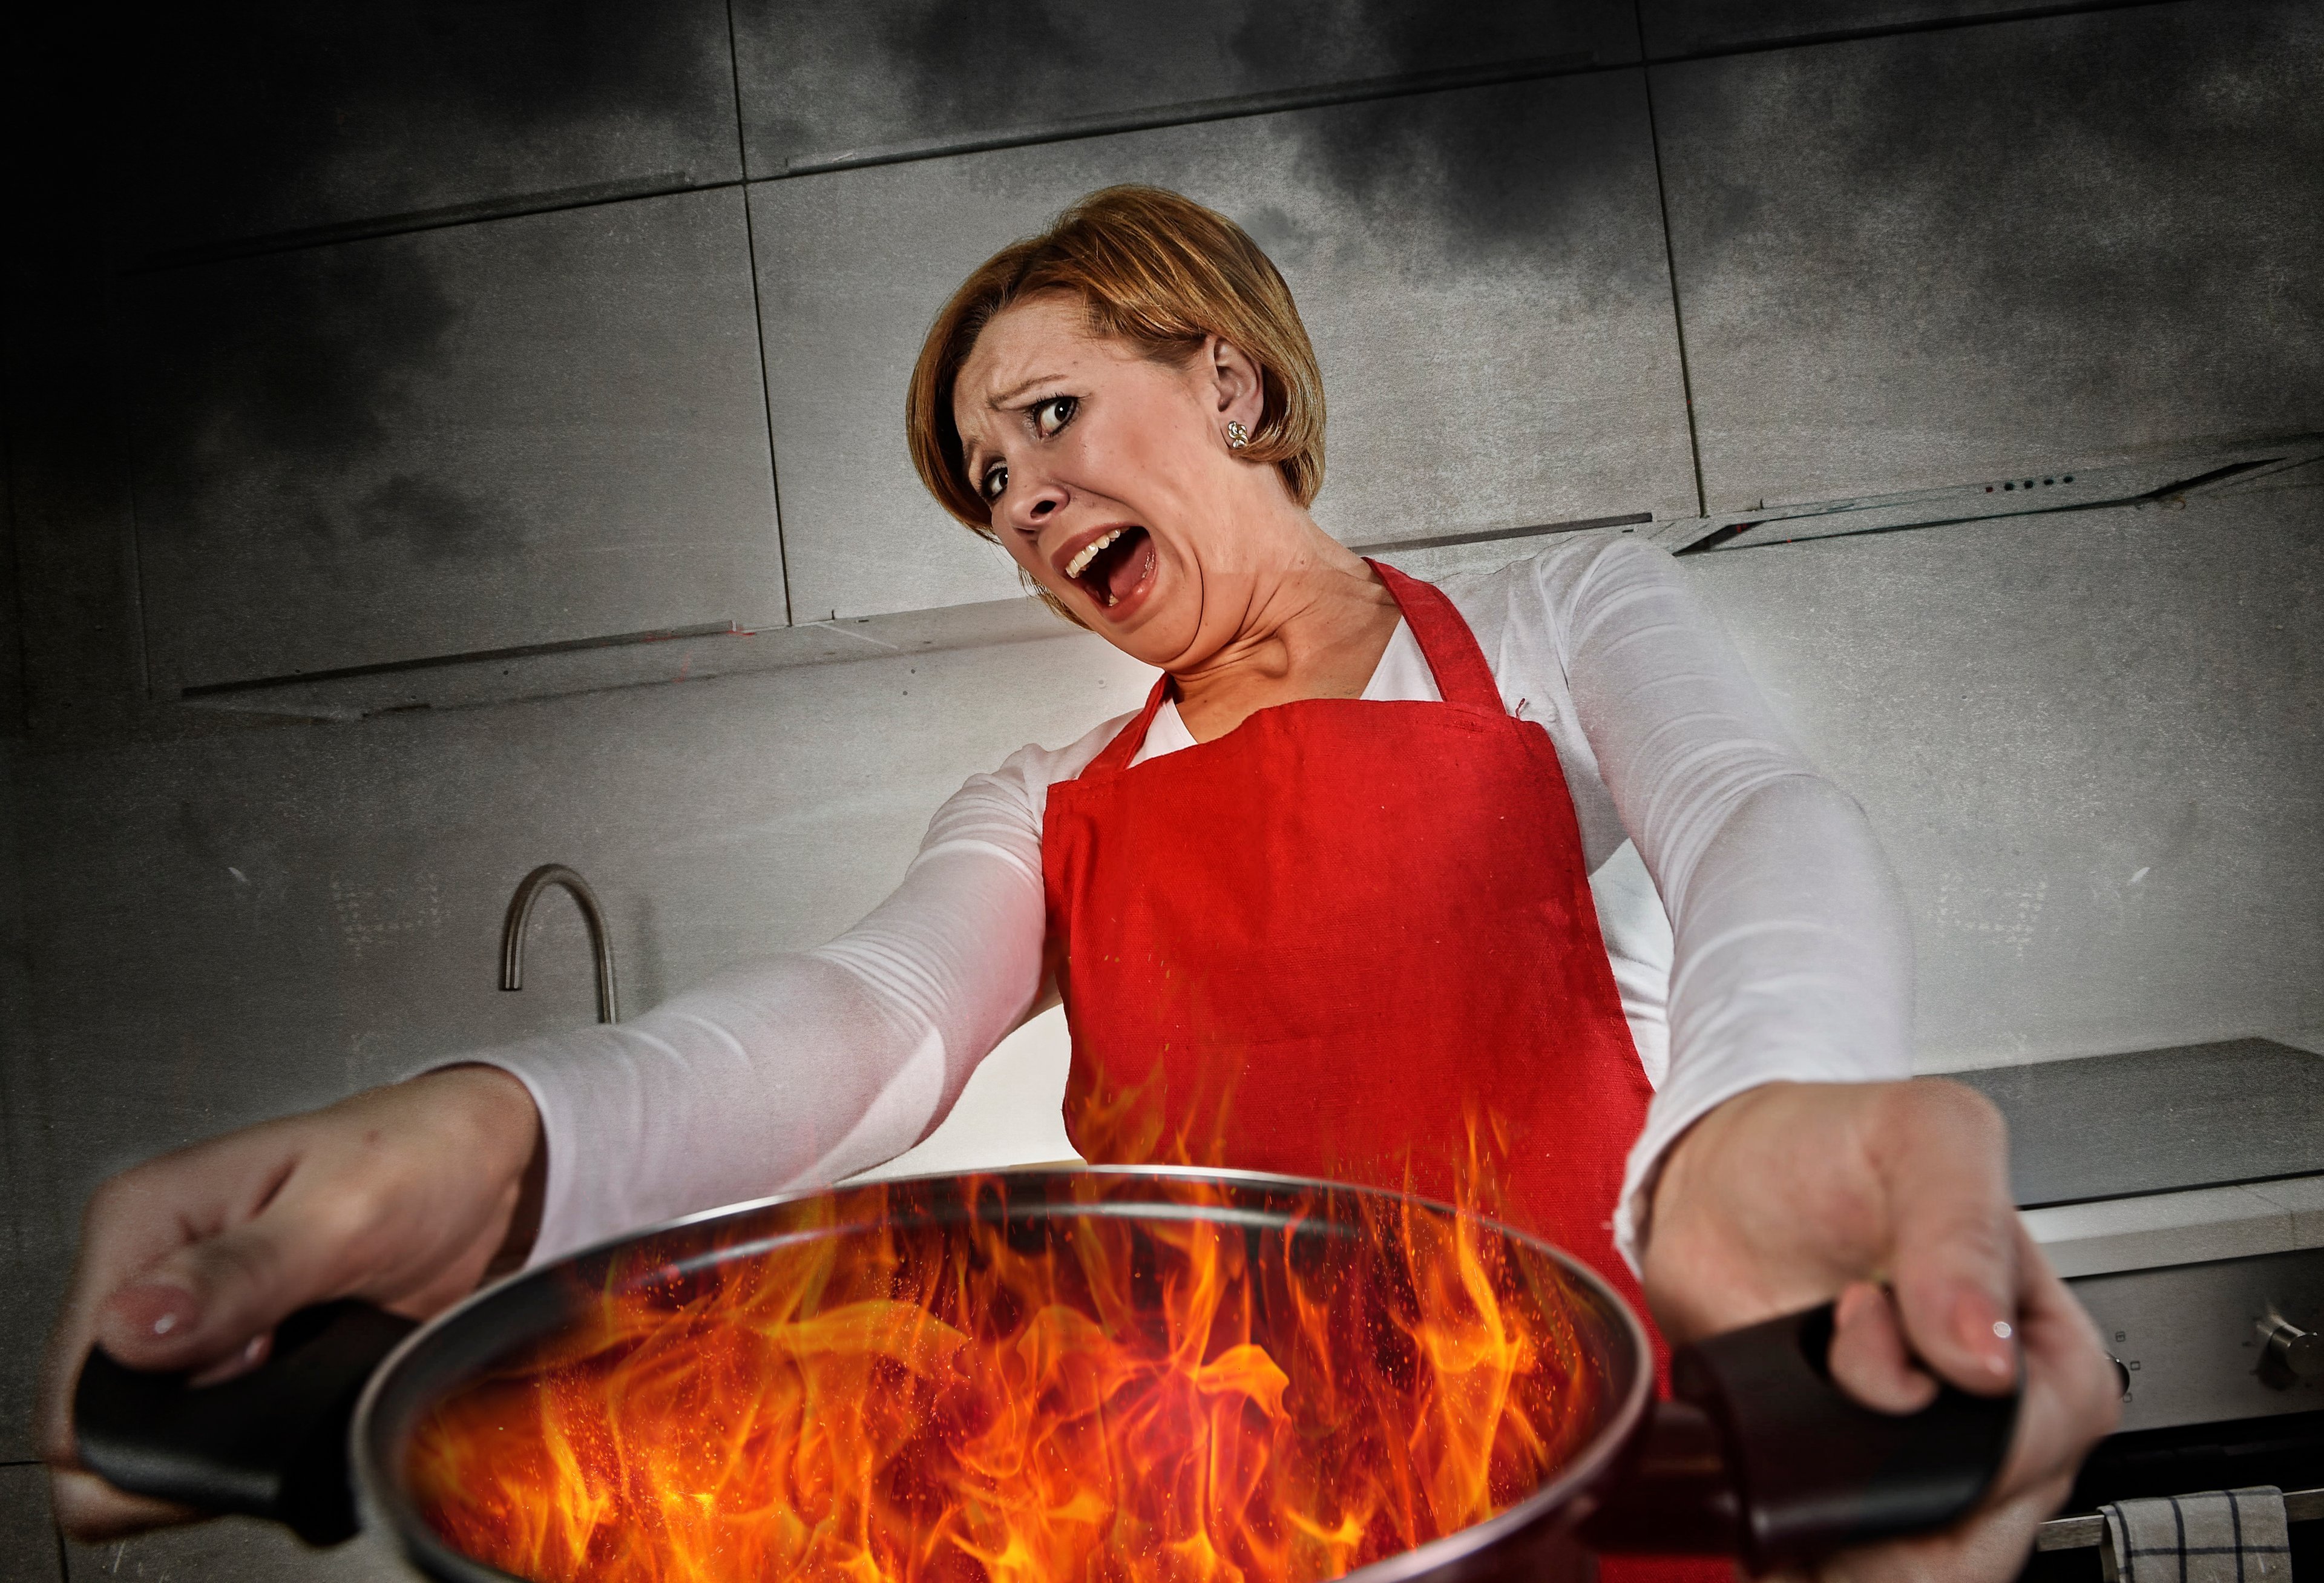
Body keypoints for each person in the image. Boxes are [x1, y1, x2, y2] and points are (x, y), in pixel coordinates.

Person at [40, 186, 2119, 1581]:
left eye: (1049, 421)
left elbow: (1757, 808)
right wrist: (505, 1146)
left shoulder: (1561, 618)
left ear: (1224, 377)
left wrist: (1759, 1111)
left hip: (1614, 1478)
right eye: (994, 489)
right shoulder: (1049, 796)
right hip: (1262, 1535)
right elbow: (866, 1022)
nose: (1028, 505)